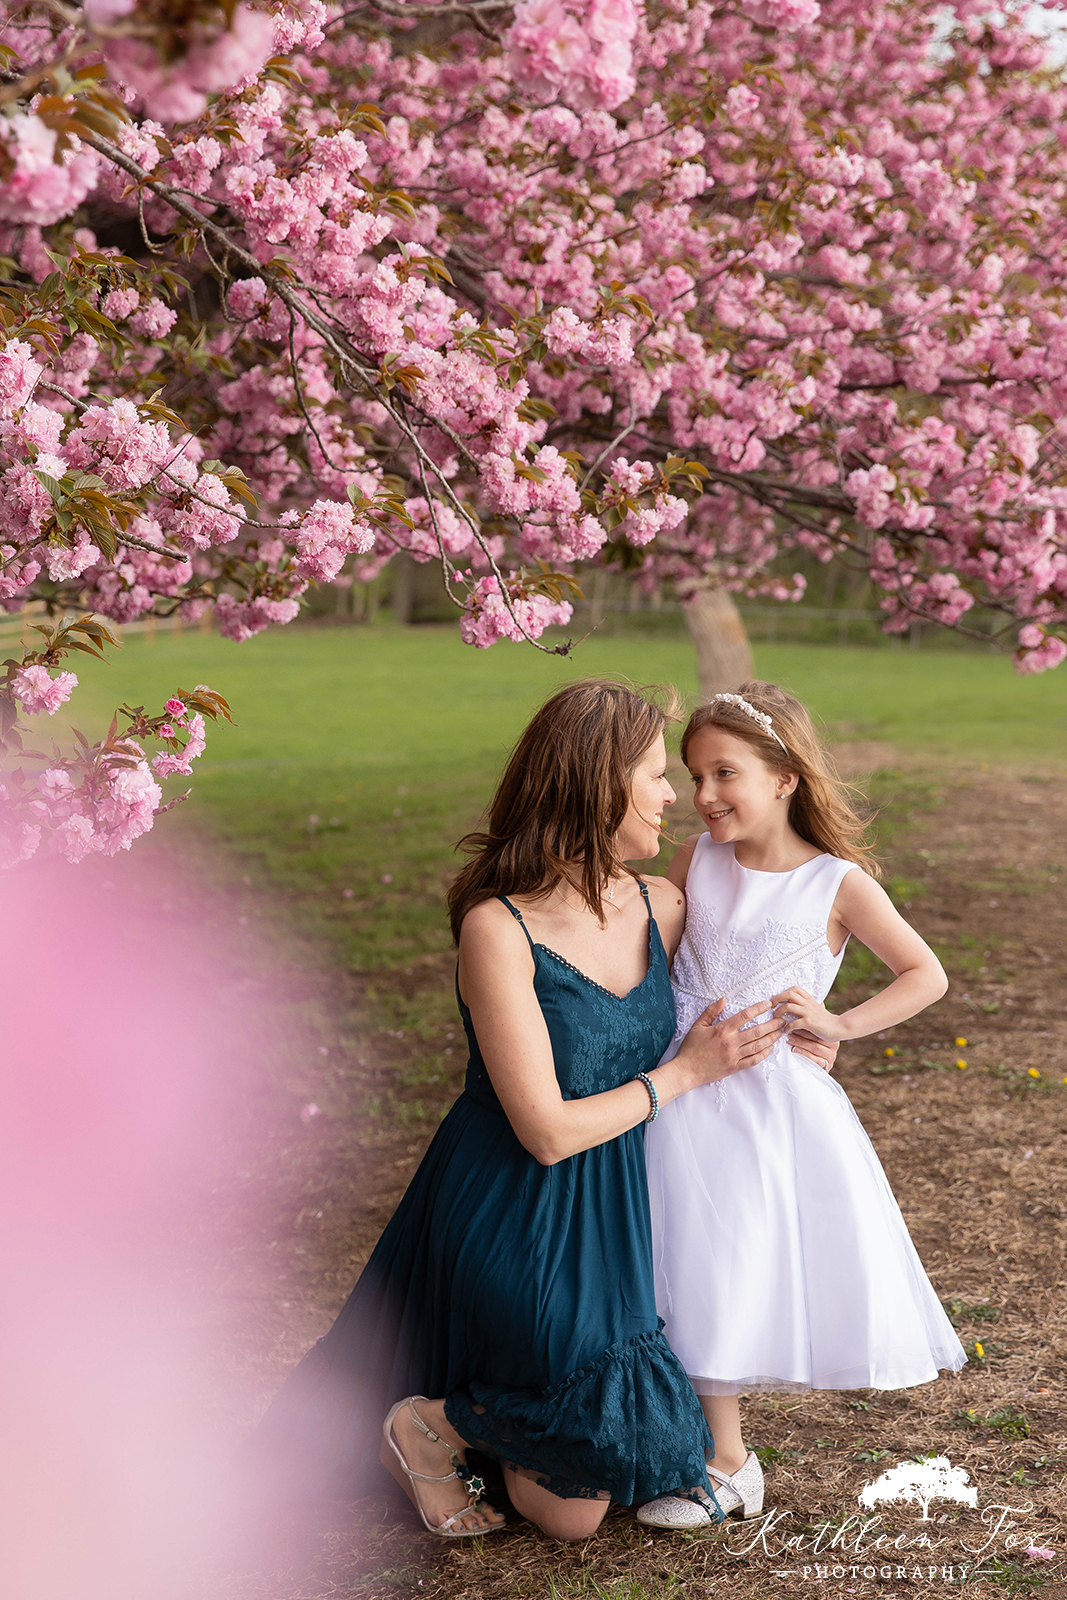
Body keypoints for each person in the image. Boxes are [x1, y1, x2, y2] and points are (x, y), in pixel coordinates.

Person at [257, 679, 787, 1541]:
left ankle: (486, 1426)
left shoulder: (663, 903)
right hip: (511, 1201)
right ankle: (431, 1424)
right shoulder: (497, 929)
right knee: (582, 1510)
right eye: (654, 775)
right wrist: (684, 1077)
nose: (673, 796)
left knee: (614, 1476)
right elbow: (543, 1131)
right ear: (593, 785)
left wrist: (819, 1028)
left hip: (616, 1194)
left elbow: (759, 961)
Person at [637, 682, 967, 1531]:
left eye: (724, 773)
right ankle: (685, 1440)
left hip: (765, 1110)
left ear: (784, 777)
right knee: (673, 1262)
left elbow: (924, 973)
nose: (704, 795)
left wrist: (839, 1023)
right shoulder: (694, 860)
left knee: (726, 1263)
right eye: (693, 775)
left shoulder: (836, 883)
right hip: (681, 1084)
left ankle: (726, 1462)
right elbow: (657, 963)